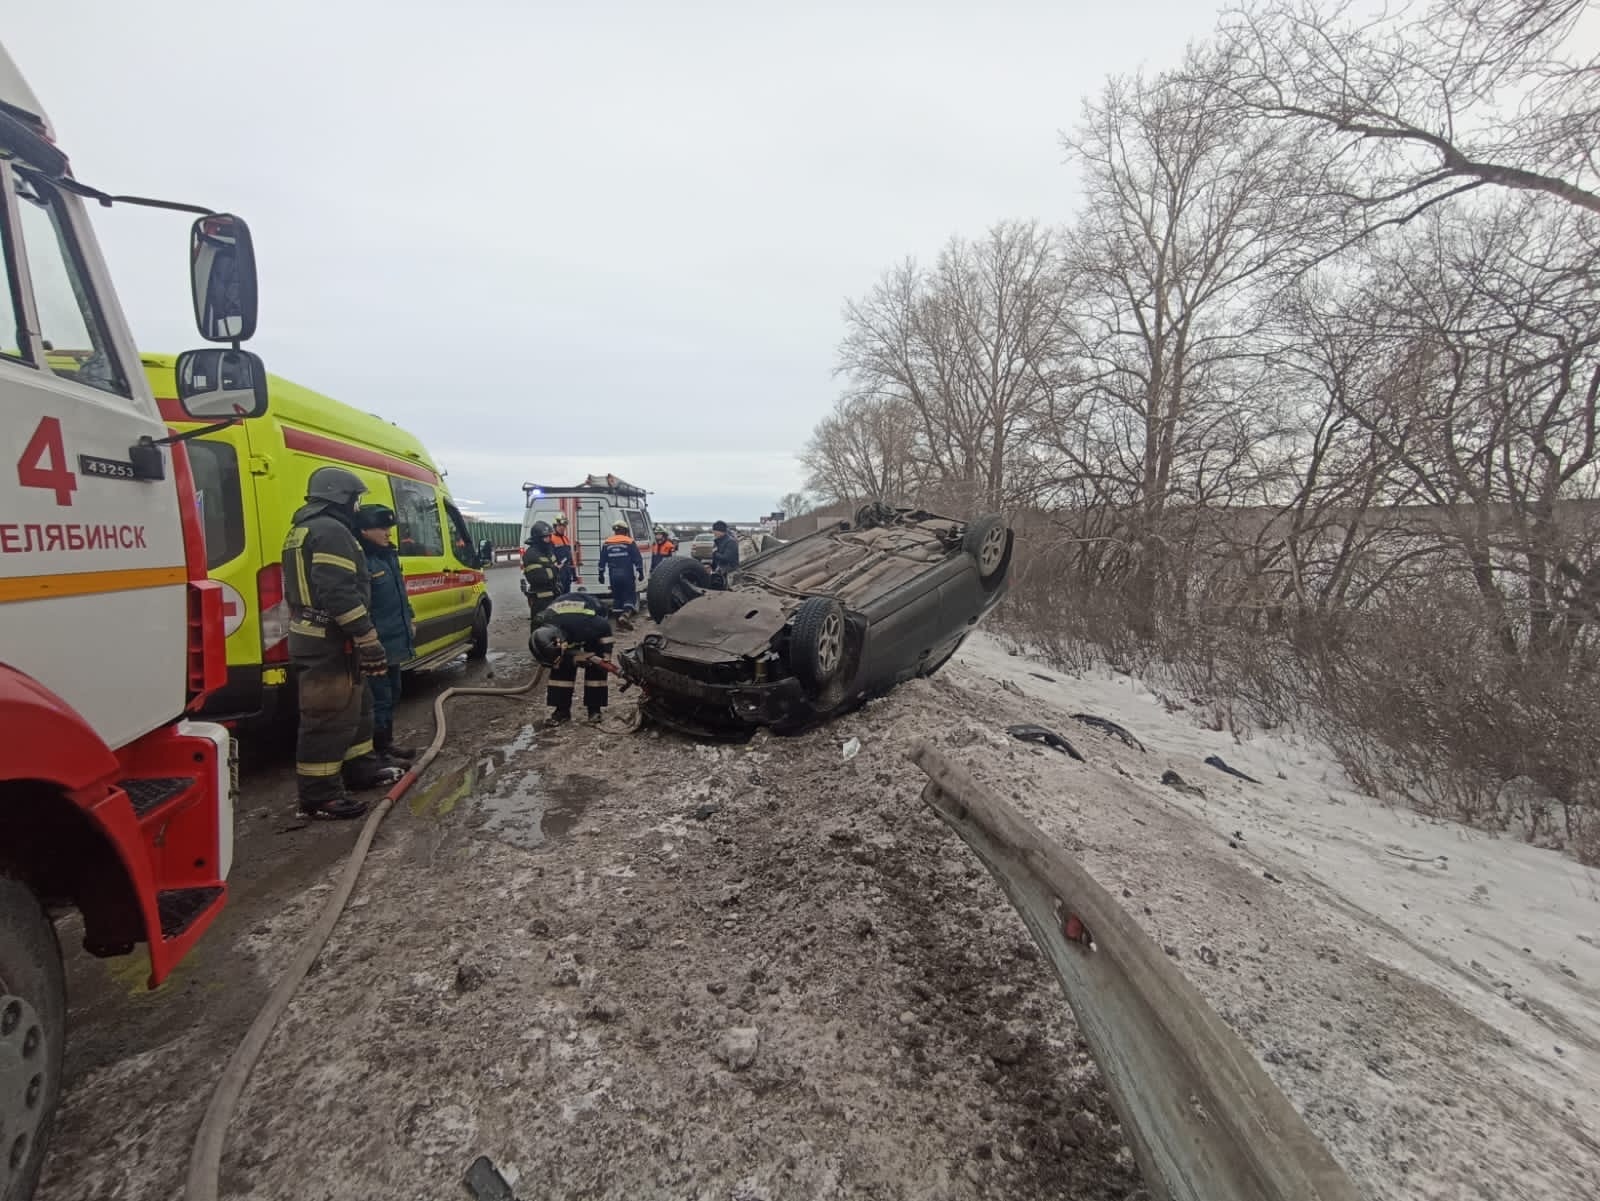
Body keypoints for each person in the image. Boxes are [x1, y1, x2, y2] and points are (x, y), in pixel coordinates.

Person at [283, 467, 403, 820]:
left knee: (358, 707)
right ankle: (320, 796)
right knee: (327, 717)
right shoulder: (330, 531)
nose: (357, 505)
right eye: (355, 499)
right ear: (341, 496)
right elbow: (337, 592)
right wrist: (367, 637)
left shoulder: (305, 529)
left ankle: (360, 768)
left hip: (331, 638)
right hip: (327, 640)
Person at [354, 503, 417, 764]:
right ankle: (377, 753)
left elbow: (399, 594)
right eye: (381, 528)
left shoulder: (387, 556)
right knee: (378, 699)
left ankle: (386, 743)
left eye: (389, 527)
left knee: (393, 692)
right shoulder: (360, 559)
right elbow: (357, 603)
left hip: (393, 639)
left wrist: (410, 617)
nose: (387, 533)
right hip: (374, 643)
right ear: (364, 530)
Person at [529, 592, 615, 724]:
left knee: (596, 668)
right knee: (560, 668)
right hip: (565, 626)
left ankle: (594, 711)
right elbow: (544, 648)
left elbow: (606, 631)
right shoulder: (540, 624)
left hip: (592, 626)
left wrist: (605, 658)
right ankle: (562, 711)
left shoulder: (589, 625)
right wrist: (571, 658)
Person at [598, 519, 644, 629]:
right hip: (626, 573)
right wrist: (640, 572)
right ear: (625, 530)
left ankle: (619, 624)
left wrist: (600, 574)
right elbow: (637, 558)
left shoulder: (607, 543)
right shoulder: (629, 541)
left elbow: (602, 560)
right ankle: (625, 615)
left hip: (613, 575)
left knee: (617, 597)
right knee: (629, 595)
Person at [521, 521, 561, 619]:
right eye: (545, 537)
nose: (548, 539)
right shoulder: (531, 554)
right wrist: (555, 570)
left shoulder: (547, 551)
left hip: (554, 597)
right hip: (540, 601)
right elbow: (538, 577)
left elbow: (554, 567)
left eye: (549, 536)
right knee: (540, 628)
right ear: (538, 539)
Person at [549, 514, 578, 590]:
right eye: (560, 526)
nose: (562, 528)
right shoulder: (551, 539)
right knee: (559, 596)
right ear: (555, 526)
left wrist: (574, 573)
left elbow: (569, 557)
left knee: (566, 595)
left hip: (567, 572)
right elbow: (550, 556)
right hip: (558, 573)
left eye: (564, 526)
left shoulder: (566, 539)